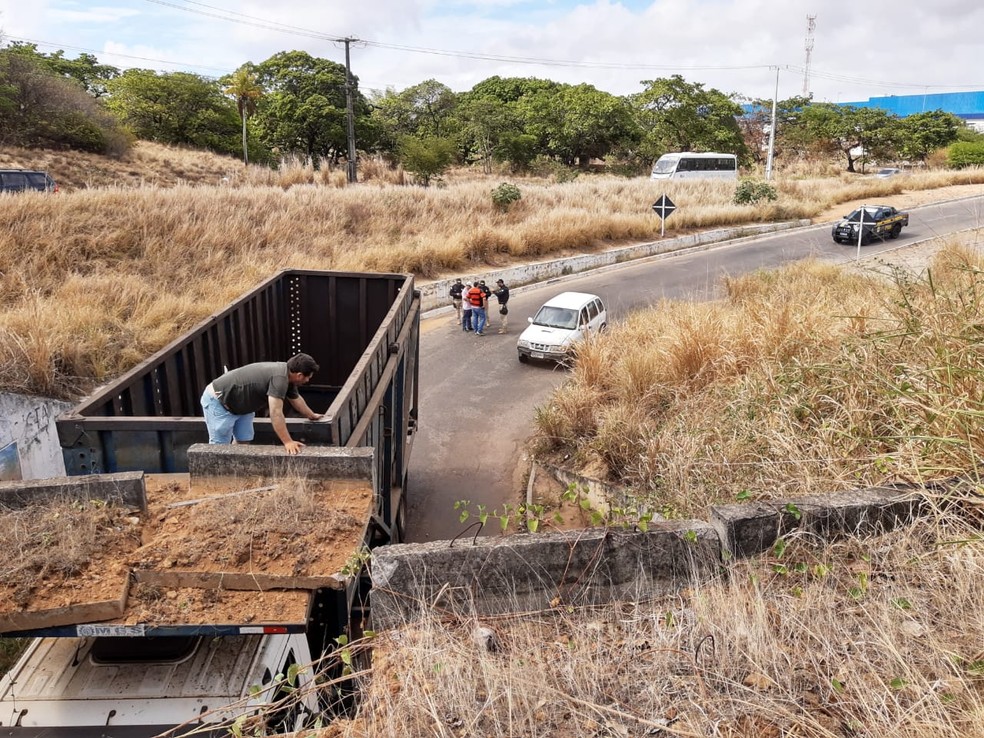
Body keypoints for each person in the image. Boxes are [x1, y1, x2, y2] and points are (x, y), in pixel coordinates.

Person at [200, 353, 323, 455]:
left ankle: (235, 471)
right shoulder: (279, 379)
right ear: (299, 375)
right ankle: (218, 479)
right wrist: (288, 442)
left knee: (244, 440)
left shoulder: (287, 377)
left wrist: (311, 415)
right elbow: (275, 413)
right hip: (219, 401)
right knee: (219, 448)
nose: (307, 381)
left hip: (242, 405)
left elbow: (296, 399)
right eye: (308, 378)